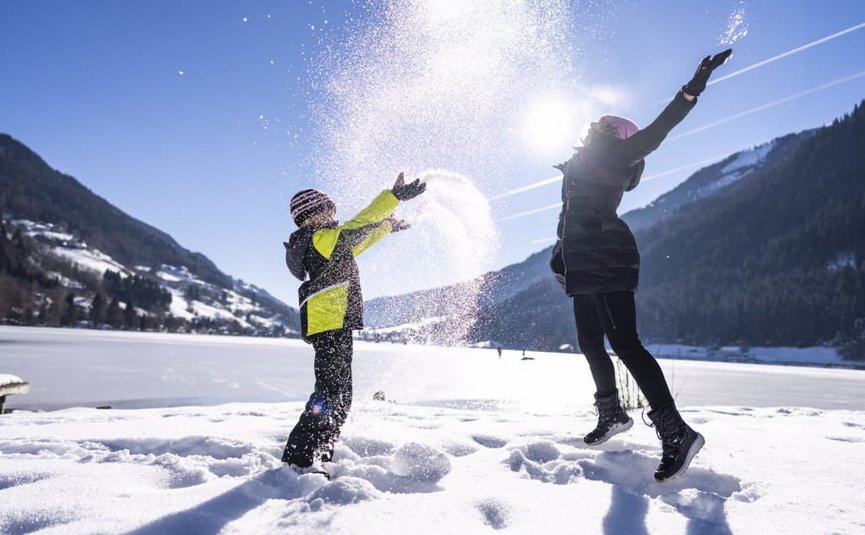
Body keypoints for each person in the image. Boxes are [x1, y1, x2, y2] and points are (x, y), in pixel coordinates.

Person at [550, 49, 732, 483]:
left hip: (608, 254)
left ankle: (676, 433)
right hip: (580, 258)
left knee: (625, 344)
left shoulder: (617, 155)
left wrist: (694, 86)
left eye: (608, 125)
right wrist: (560, 255)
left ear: (614, 134)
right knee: (591, 342)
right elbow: (567, 216)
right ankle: (612, 412)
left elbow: (662, 128)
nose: (601, 123)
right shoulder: (578, 167)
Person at [281, 172, 426, 468]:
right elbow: (356, 227)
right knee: (330, 394)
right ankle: (299, 460)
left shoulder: (324, 243)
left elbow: (357, 240)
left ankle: (320, 454)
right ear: (310, 216)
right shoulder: (318, 240)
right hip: (330, 324)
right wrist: (393, 197)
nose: (333, 216)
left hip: (334, 324)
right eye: (327, 211)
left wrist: (387, 226)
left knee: (341, 396)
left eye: (333, 211)